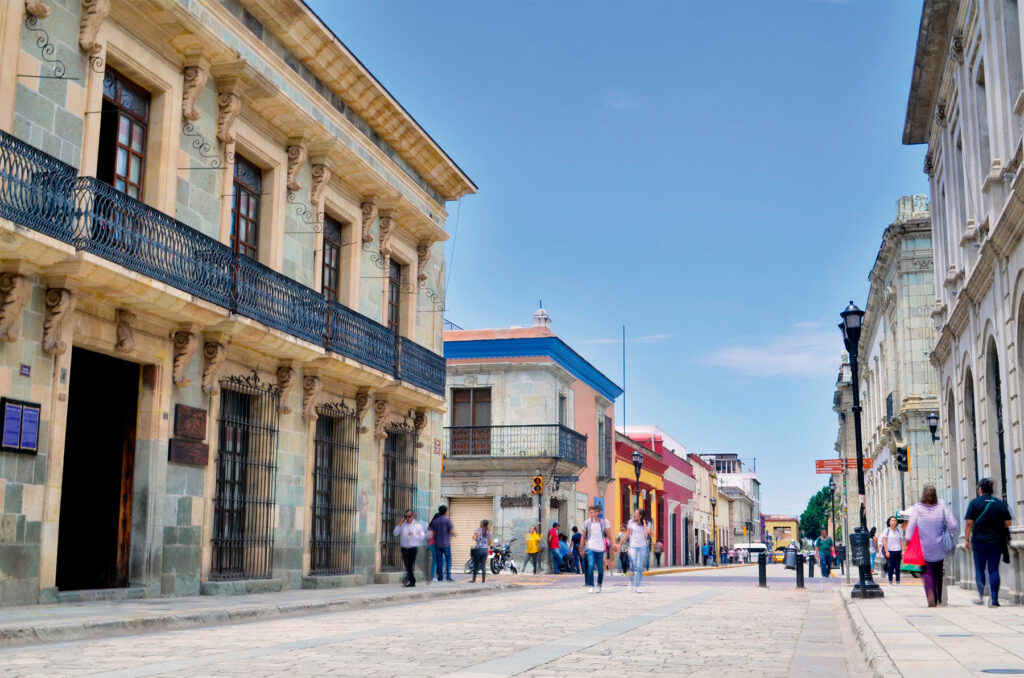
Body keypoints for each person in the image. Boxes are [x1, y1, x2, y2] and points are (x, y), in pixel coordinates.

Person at [964, 477, 1014, 607]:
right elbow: (1008, 523)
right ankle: (994, 599)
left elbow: (969, 523)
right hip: (995, 542)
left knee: (980, 570)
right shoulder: (999, 503)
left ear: (980, 489)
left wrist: (966, 539)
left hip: (979, 542)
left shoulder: (974, 503)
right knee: (993, 569)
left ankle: (981, 597)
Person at [906, 485, 958, 607]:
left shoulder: (918, 508)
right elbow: (953, 526)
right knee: (938, 572)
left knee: (928, 571)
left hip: (924, 546)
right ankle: (939, 597)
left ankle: (930, 594)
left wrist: (907, 540)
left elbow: (911, 526)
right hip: (940, 546)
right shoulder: (942, 507)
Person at [619, 509, 653, 593]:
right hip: (633, 546)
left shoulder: (647, 523)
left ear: (640, 516)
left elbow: (650, 533)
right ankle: (630, 582)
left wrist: (644, 524)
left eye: (636, 514)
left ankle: (638, 586)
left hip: (642, 547)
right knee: (633, 565)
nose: (634, 516)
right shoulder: (631, 522)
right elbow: (627, 534)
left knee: (639, 567)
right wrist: (620, 544)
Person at [582, 505, 614, 593]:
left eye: (596, 512)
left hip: (600, 549)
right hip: (590, 548)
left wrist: (613, 544)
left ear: (599, 513)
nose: (594, 514)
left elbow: (609, 534)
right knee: (591, 565)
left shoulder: (603, 522)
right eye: (592, 512)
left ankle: (599, 584)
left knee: (600, 569)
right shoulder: (587, 522)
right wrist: (581, 548)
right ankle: (591, 585)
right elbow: (583, 535)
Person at [393, 508, 425, 587]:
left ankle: (411, 581)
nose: (407, 518)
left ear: (413, 516)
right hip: (404, 548)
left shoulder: (417, 525)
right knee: (407, 566)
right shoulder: (402, 524)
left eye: (409, 516)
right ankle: (411, 579)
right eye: (406, 516)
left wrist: (414, 535)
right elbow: (395, 533)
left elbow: (422, 536)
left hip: (412, 548)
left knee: (410, 565)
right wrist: (399, 525)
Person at [428, 505, 455, 582]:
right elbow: (451, 531)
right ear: (446, 512)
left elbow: (433, 533)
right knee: (448, 559)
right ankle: (448, 576)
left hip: (438, 544)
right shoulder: (447, 520)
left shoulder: (435, 522)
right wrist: (452, 534)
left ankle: (440, 577)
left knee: (439, 560)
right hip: (446, 544)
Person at [881, 516, 905, 585]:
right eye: (892, 520)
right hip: (890, 551)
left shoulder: (898, 530)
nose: (894, 522)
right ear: (889, 522)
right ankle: (890, 581)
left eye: (895, 521)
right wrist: (886, 551)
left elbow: (901, 541)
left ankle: (898, 581)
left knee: (897, 567)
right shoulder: (887, 531)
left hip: (898, 550)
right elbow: (884, 541)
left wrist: (902, 551)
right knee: (890, 567)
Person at [470, 519, 492, 584]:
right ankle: (483, 581)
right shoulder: (488, 532)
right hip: (485, 550)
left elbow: (474, 537)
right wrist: (485, 545)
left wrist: (476, 539)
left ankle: (474, 580)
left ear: (482, 524)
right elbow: (490, 543)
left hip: (478, 549)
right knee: (483, 566)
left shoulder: (478, 530)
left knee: (476, 565)